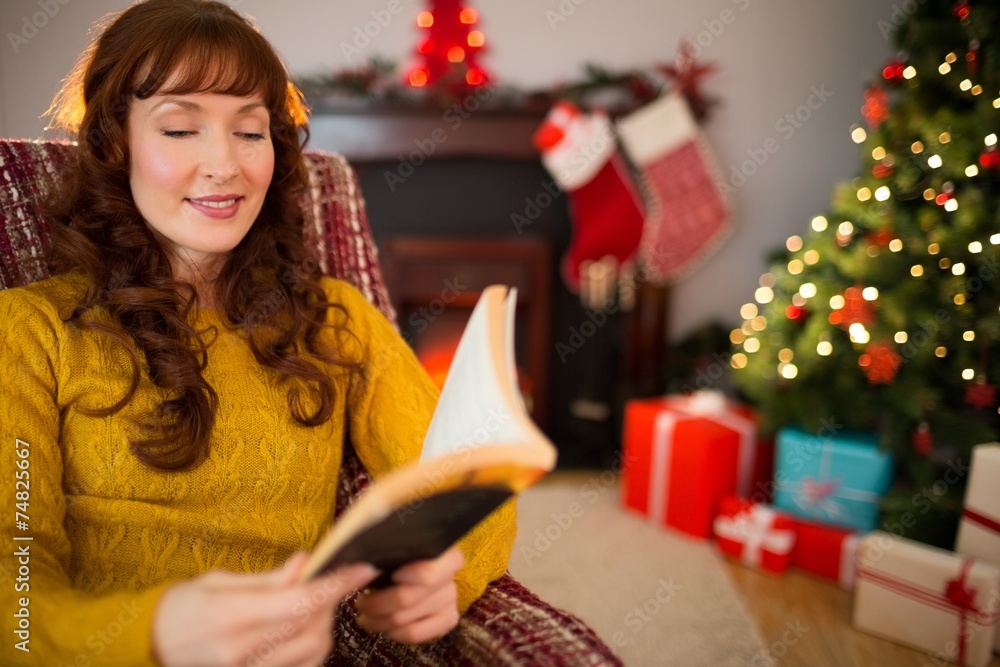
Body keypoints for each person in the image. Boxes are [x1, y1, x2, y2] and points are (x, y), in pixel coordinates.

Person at [0, 1, 516, 665]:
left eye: (250, 131)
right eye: (181, 129)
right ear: (113, 144)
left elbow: (465, 479)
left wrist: (450, 576)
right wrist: (151, 631)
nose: (226, 165)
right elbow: (13, 592)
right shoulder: (30, 330)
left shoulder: (335, 321)